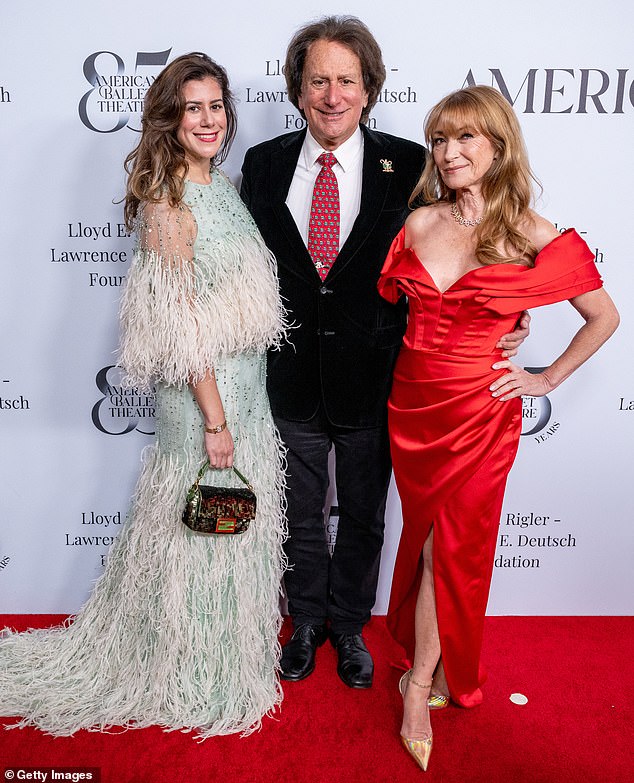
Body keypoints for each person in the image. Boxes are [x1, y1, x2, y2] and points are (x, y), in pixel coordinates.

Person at [0, 52, 287, 737]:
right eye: (193, 107)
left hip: (247, 389)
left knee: (234, 529)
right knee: (203, 531)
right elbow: (181, 329)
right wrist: (215, 419)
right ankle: (187, 665)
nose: (209, 119)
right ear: (169, 118)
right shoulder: (168, 205)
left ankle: (226, 656)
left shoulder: (225, 187)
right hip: (204, 401)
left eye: (216, 105)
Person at [241, 16, 528, 689]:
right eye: (318, 80)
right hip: (288, 378)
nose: (332, 94)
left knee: (366, 514)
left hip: (380, 380)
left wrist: (506, 318)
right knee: (299, 513)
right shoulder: (263, 163)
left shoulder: (413, 165)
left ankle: (348, 626)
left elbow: (472, 239)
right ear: (298, 89)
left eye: (346, 80)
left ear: (369, 89)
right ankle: (305, 619)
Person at [377, 85, 619, 771]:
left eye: (464, 139)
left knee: (448, 551)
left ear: (498, 146)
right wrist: (504, 318)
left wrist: (542, 377)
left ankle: (419, 683)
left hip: (482, 415)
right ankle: (438, 664)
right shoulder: (419, 223)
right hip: (414, 406)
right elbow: (404, 309)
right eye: (439, 140)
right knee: (425, 540)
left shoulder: (533, 234)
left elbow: (604, 316)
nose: (448, 153)